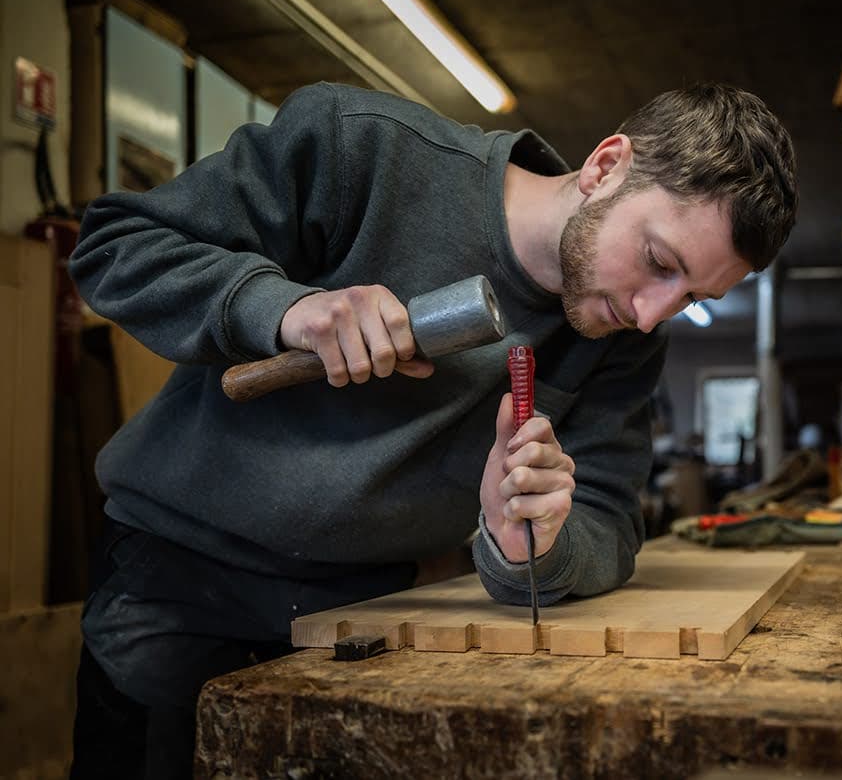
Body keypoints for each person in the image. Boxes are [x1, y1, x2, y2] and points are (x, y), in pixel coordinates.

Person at [67, 80, 798, 777]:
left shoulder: (626, 340)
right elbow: (115, 246)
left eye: (690, 297)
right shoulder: (359, 148)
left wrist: (534, 545)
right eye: (656, 263)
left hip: (369, 613)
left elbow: (607, 516)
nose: (649, 313)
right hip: (179, 581)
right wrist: (277, 308)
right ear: (607, 167)